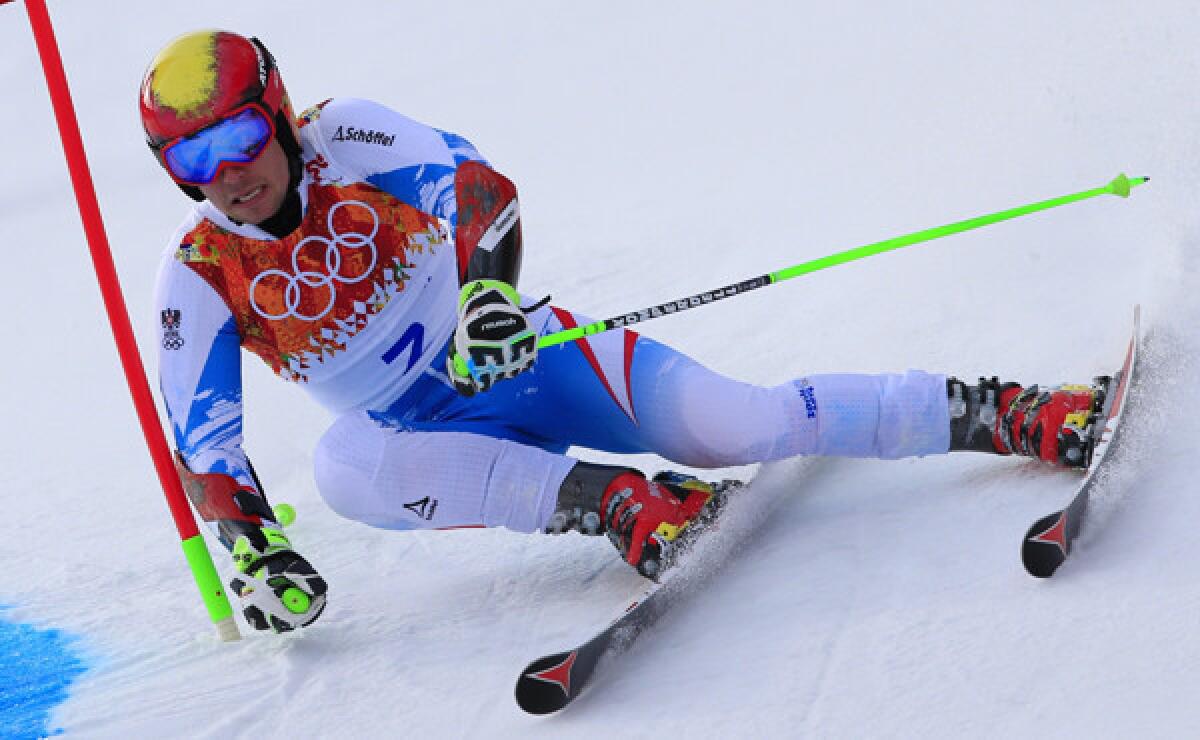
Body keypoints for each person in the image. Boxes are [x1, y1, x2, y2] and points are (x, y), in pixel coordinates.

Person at [142, 30, 1104, 634]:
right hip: (426, 438)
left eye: (238, 137)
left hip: (524, 357)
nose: (226, 171)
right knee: (343, 466)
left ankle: (1003, 410)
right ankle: (620, 504)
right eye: (192, 157)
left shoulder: (344, 136)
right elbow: (203, 443)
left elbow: (481, 191)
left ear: (276, 112)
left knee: (742, 426)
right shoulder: (197, 276)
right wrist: (252, 549)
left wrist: (486, 299)